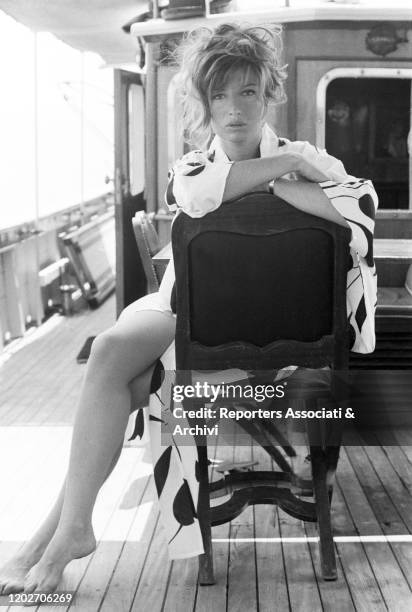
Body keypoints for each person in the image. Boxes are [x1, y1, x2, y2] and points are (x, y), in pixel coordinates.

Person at [0, 22, 378, 595]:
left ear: (268, 94)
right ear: (204, 103)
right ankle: (60, 535)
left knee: (114, 363)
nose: (234, 109)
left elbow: (363, 205)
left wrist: (266, 182)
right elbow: (199, 194)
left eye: (247, 91)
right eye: (219, 94)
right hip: (194, 323)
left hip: (256, 338)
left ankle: (58, 536)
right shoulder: (207, 168)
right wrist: (286, 171)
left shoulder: (289, 160)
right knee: (114, 360)